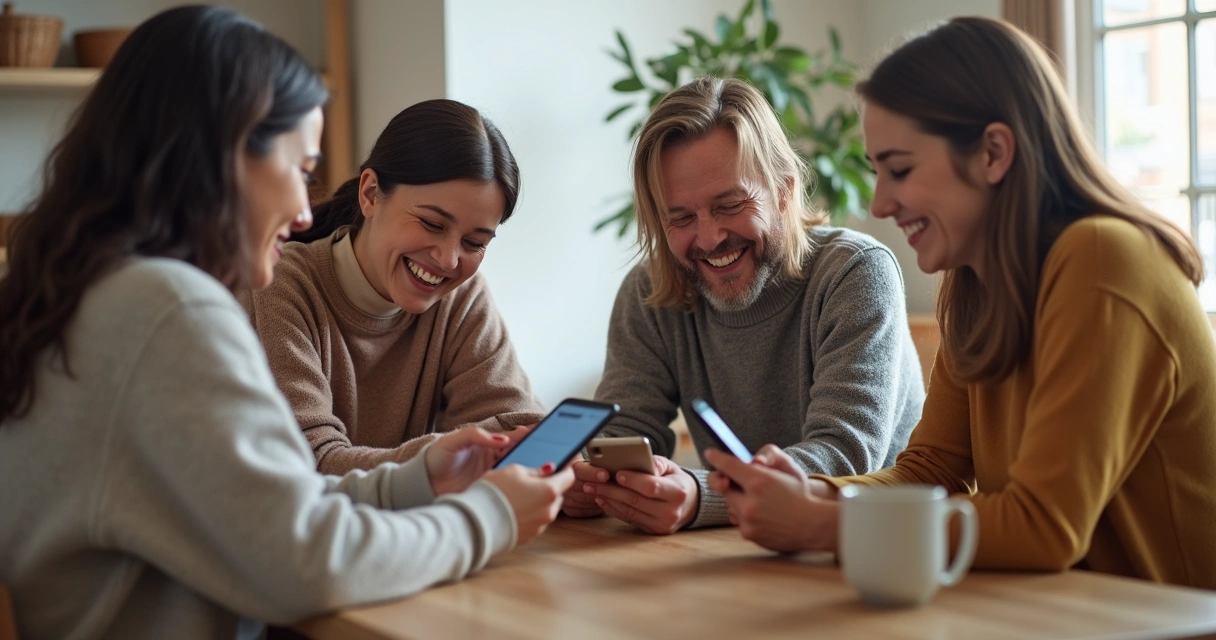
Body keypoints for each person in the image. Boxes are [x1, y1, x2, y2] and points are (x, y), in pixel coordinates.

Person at [0, 6, 572, 638]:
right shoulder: (166, 310)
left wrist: (420, 479)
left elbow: (271, 507)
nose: (305, 210)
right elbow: (304, 561)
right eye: (300, 171)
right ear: (222, 159)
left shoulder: (96, 292)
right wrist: (487, 518)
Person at [706, 16, 1216, 590]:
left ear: (994, 152)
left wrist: (826, 523)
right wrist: (813, 493)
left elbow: (1044, 526)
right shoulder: (978, 283)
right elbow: (932, 470)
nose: (879, 204)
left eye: (899, 169)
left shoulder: (1104, 258)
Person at [563, 76, 925, 534]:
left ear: (784, 193)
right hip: (749, 548)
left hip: (876, 539)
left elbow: (843, 457)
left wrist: (703, 496)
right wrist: (581, 476)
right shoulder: (650, 292)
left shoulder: (855, 273)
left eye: (730, 204)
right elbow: (624, 433)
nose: (710, 238)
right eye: (681, 218)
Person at [242, 99, 544, 475]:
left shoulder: (462, 298)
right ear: (369, 194)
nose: (449, 260)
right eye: (433, 224)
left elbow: (520, 427)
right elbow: (311, 466)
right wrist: (449, 457)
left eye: (474, 242)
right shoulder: (282, 285)